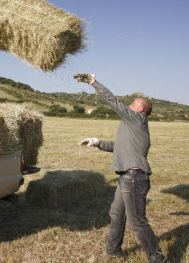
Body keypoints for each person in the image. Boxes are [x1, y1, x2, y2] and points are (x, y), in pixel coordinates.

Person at [74, 73, 167, 263]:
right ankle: (113, 250)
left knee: (137, 222)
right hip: (127, 176)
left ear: (139, 109)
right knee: (116, 213)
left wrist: (94, 82)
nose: (129, 106)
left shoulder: (138, 119)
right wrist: (97, 142)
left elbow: (114, 102)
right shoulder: (132, 126)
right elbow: (118, 148)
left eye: (132, 104)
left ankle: (158, 260)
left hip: (134, 176)